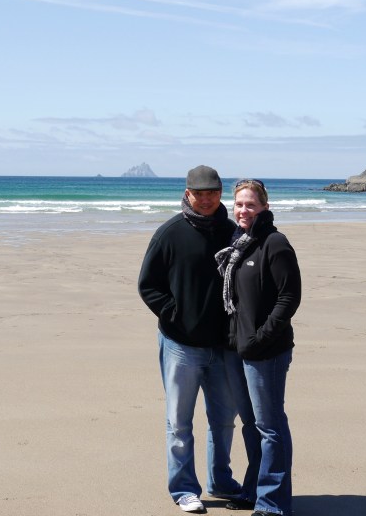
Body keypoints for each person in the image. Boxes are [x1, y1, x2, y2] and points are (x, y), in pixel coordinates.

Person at [138, 165, 247, 513]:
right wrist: (175, 314)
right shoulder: (169, 233)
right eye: (199, 193)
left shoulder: (232, 232)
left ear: (220, 194)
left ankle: (222, 481)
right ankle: (184, 488)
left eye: (212, 192)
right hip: (180, 345)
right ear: (187, 194)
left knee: (223, 420)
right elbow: (147, 285)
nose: (205, 199)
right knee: (179, 422)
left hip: (223, 347)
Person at [215, 179, 302, 516]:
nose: (243, 210)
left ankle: (273, 503)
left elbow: (289, 297)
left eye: (250, 204)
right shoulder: (238, 243)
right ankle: (253, 490)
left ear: (264, 206)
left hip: (268, 351)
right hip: (237, 348)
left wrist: (261, 338)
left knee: (271, 425)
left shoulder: (275, 243)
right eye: (238, 204)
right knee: (252, 425)